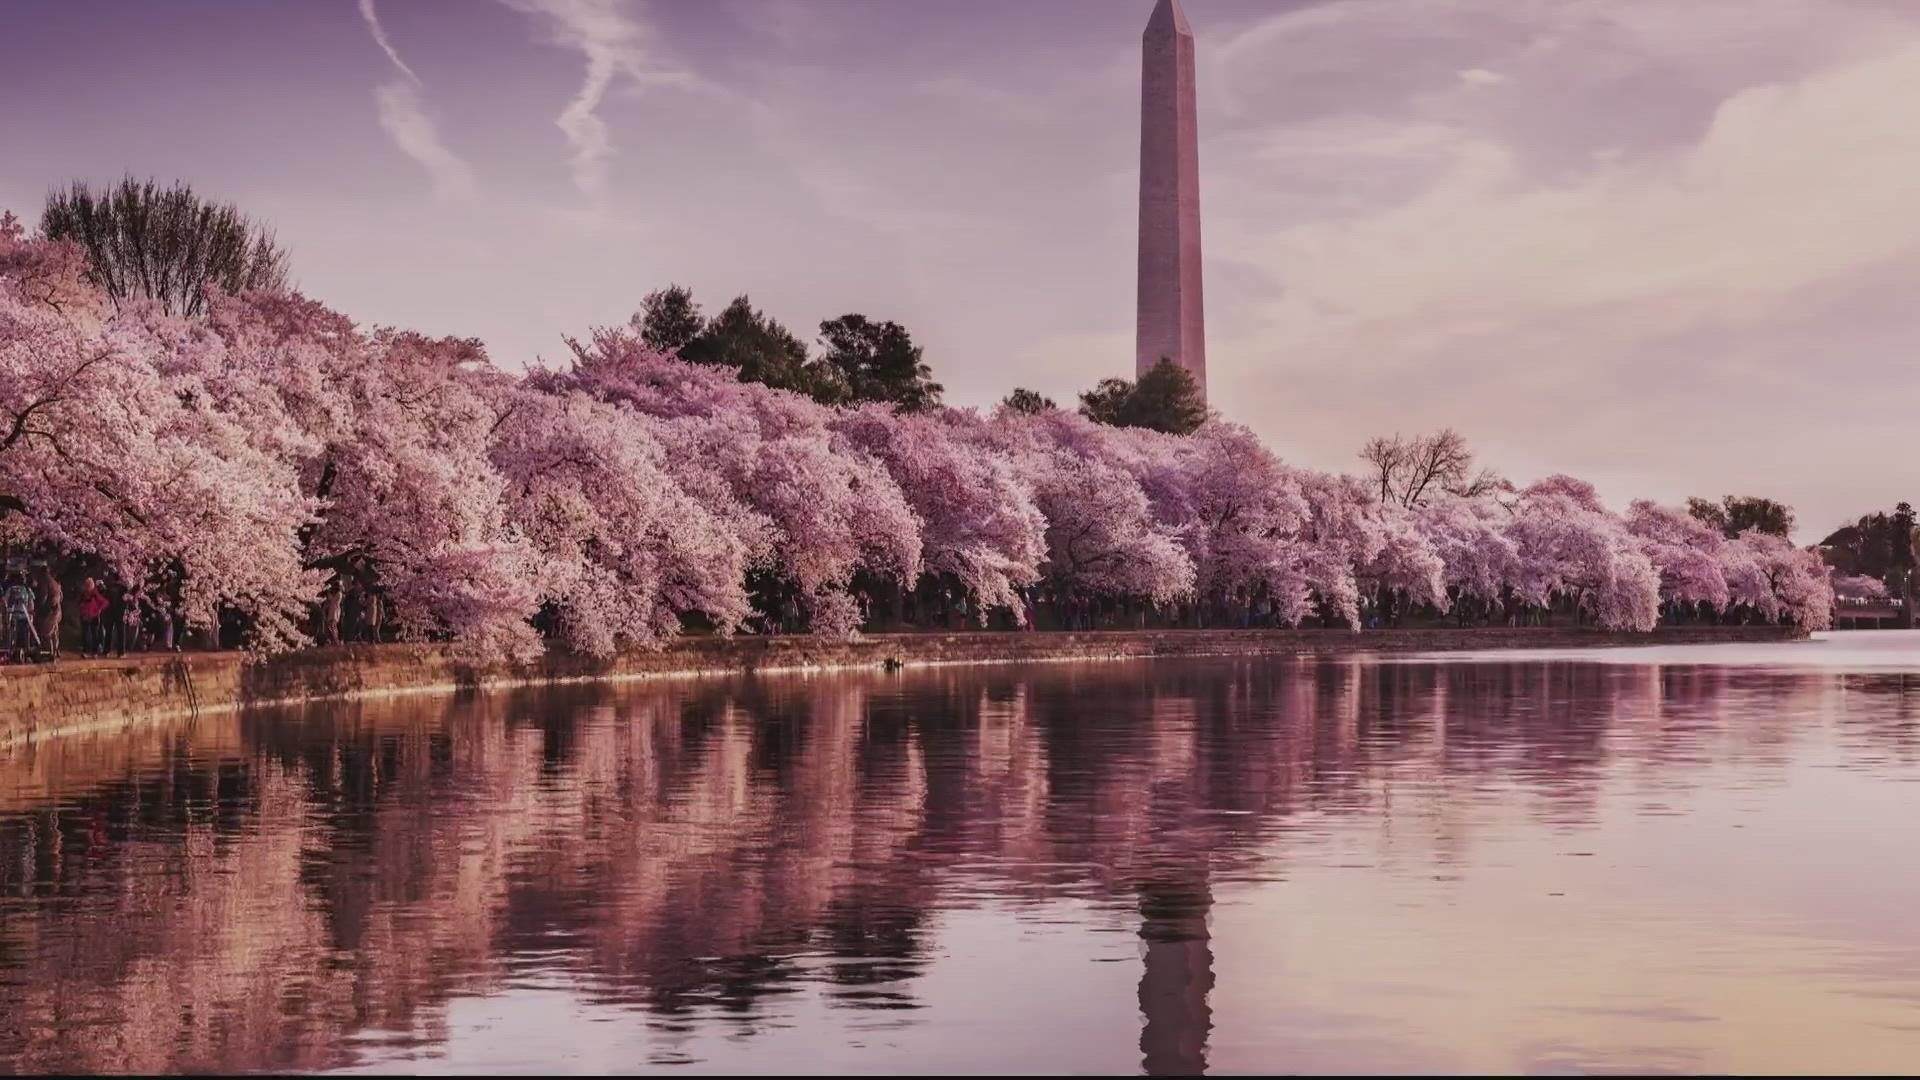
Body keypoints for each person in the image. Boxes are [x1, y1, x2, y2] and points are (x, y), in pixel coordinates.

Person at [4, 573, 37, 663]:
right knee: (16, 635)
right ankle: (14, 653)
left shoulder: (15, 589)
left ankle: (22, 653)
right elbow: (31, 604)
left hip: (20, 616)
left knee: (22, 636)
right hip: (18, 616)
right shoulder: (24, 589)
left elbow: (5, 602)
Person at [35, 565, 61, 661]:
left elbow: (43, 597)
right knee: (54, 632)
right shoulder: (54, 582)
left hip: (50, 610)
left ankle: (49, 653)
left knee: (46, 632)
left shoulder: (45, 581)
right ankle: (54, 652)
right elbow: (60, 597)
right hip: (57, 609)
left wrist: (38, 607)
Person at [77, 577, 107, 657]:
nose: (88, 587)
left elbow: (104, 602)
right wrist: (82, 611)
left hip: (94, 616)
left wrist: (98, 610)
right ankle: (86, 651)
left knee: (94, 634)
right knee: (85, 634)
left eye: (89, 585)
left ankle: (94, 652)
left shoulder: (95, 594)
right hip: (85, 616)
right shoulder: (83, 594)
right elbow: (79, 603)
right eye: (87, 585)